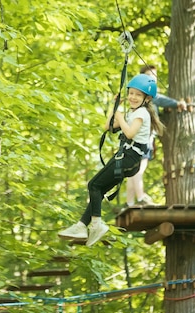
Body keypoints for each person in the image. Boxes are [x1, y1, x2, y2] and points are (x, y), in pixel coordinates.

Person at [58, 74, 164, 246]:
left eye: (138, 95)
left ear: (147, 98)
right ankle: (81, 226)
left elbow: (129, 133)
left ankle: (96, 224)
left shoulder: (142, 113)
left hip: (129, 157)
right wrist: (114, 108)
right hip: (127, 158)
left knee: (93, 185)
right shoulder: (133, 112)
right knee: (97, 191)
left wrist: (120, 117)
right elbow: (108, 126)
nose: (133, 97)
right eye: (131, 93)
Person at [124, 64, 186, 207]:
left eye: (154, 77)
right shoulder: (147, 95)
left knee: (133, 170)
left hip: (135, 137)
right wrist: (177, 103)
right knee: (140, 167)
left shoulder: (136, 97)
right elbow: (161, 99)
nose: (153, 80)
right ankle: (141, 198)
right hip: (143, 137)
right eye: (150, 77)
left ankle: (130, 202)